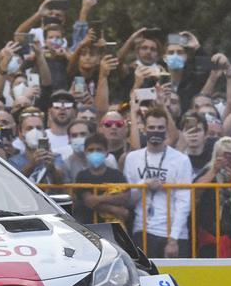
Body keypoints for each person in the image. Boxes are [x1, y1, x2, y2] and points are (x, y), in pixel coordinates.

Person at [123, 107, 192, 258]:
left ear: (166, 130)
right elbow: (129, 199)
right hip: (142, 229)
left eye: (160, 128)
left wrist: (173, 239)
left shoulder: (181, 160)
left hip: (174, 233)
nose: (156, 131)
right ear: (144, 129)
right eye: (152, 127)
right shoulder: (132, 158)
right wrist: (143, 184)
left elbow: (184, 202)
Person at [72, 134, 130, 225]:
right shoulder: (82, 176)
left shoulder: (116, 174)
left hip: (113, 226)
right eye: (91, 150)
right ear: (85, 152)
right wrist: (114, 209)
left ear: (107, 152)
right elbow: (89, 201)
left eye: (99, 150)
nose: (95, 153)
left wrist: (98, 199)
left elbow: (123, 197)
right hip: (89, 224)